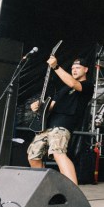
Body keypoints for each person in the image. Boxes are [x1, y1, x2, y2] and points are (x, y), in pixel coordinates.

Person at [28, 54, 93, 185]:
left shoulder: (87, 85)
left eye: (78, 68)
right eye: (73, 68)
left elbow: (73, 83)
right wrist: (37, 107)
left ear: (85, 69)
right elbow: (50, 106)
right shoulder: (64, 89)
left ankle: (73, 191)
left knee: (58, 152)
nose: (74, 70)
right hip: (46, 125)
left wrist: (56, 67)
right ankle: (44, 187)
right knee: (33, 156)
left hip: (63, 125)